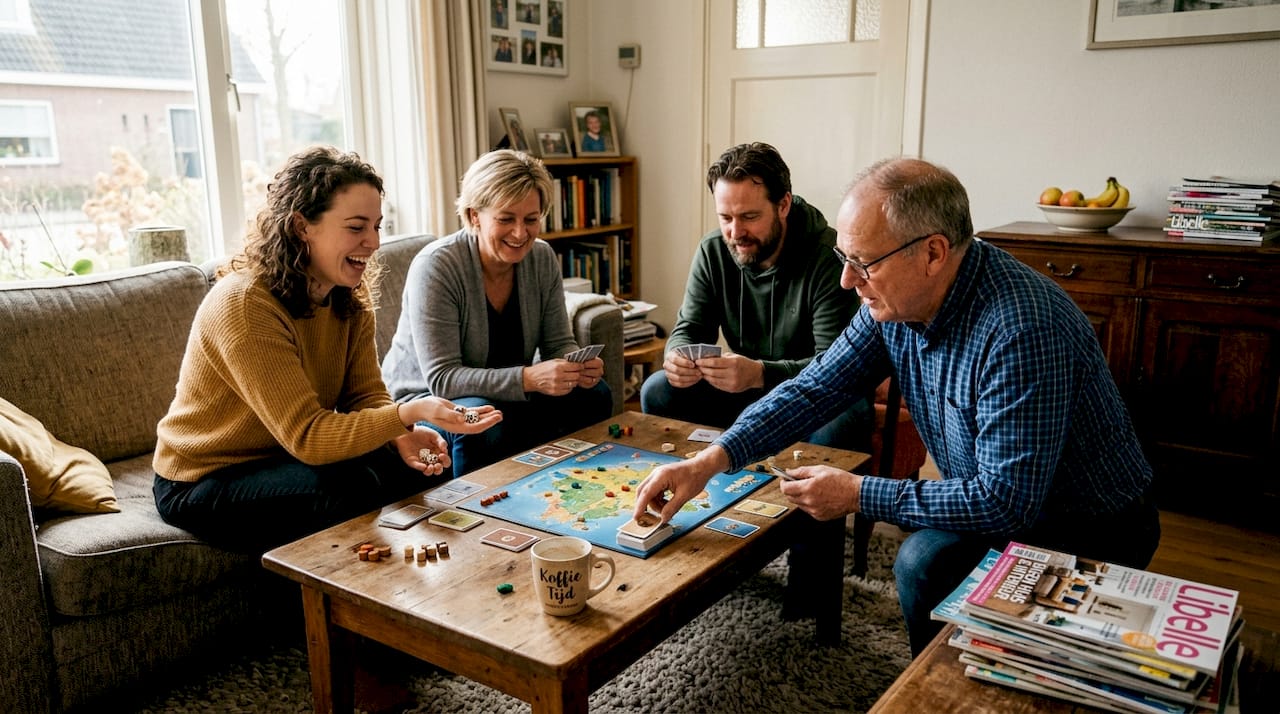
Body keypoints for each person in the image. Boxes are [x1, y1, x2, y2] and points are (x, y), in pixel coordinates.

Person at [633, 157, 1159, 656]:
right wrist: (710, 461)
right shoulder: (893, 303)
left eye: (862, 263)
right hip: (1007, 497)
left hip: (1089, 523)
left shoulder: (1021, 329)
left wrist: (858, 492)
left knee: (922, 559)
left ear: (932, 253)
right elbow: (812, 388)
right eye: (844, 259)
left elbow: (1004, 502)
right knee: (925, 560)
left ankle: (949, 691)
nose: (847, 280)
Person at [152, 146, 501, 554]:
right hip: (203, 478)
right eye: (356, 227)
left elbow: (364, 396)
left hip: (281, 456)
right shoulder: (246, 304)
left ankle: (433, 591)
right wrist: (410, 412)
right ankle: (337, 614)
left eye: (377, 226)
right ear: (302, 226)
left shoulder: (347, 297)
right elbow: (308, 436)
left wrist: (400, 436)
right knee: (340, 489)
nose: (372, 242)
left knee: (418, 469)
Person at [381, 149, 613, 476]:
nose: (521, 233)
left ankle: (577, 491)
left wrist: (576, 364)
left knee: (595, 394)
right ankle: (475, 515)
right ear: (475, 215)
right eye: (506, 219)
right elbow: (444, 379)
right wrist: (529, 378)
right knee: (478, 419)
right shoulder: (437, 266)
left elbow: (558, 342)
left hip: (505, 391)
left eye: (531, 220)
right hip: (429, 399)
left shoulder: (542, 258)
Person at [640, 142, 867, 447]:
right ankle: (694, 481)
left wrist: (759, 374)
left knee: (843, 416)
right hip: (744, 389)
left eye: (749, 217)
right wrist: (677, 357)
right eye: (725, 218)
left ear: (783, 205)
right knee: (657, 388)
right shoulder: (713, 252)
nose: (735, 232)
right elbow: (689, 330)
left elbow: (834, 366)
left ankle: (811, 492)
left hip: (815, 392)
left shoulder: (828, 257)